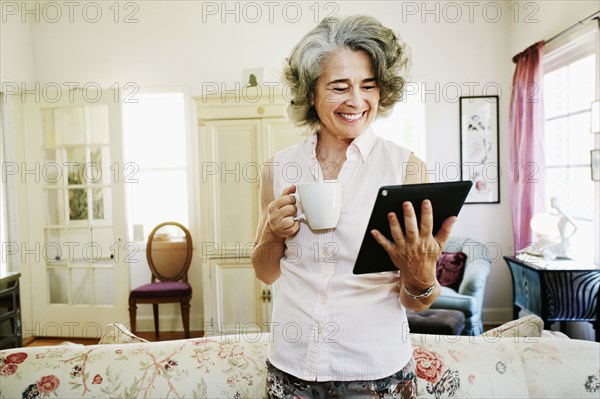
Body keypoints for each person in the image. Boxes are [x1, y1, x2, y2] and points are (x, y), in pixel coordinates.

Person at [251, 15, 456, 398]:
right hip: (291, 367)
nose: (356, 101)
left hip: (374, 371)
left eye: (368, 86)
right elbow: (265, 272)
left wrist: (420, 273)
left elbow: (420, 299)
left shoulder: (406, 169)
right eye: (339, 87)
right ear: (311, 93)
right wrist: (271, 232)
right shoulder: (278, 168)